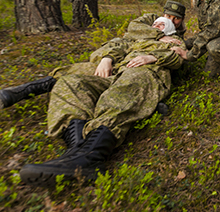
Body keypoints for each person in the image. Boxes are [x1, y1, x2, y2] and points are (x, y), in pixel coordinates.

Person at [18, 18, 186, 186]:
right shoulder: (136, 39)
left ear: (169, 29)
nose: (156, 26)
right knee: (69, 83)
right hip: (116, 73)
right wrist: (107, 58)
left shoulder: (173, 41)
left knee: (123, 90)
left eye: (161, 25)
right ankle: (76, 149)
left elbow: (178, 59)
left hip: (145, 73)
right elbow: (114, 47)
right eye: (155, 24)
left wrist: (151, 57)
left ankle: (92, 155)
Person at [0, 1, 187, 109]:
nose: (170, 20)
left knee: (125, 85)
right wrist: (108, 57)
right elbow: (131, 31)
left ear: (181, 20)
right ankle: (25, 90)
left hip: (137, 66)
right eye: (167, 16)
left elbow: (180, 56)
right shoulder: (152, 21)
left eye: (175, 18)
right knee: (79, 70)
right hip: (121, 53)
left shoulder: (178, 38)